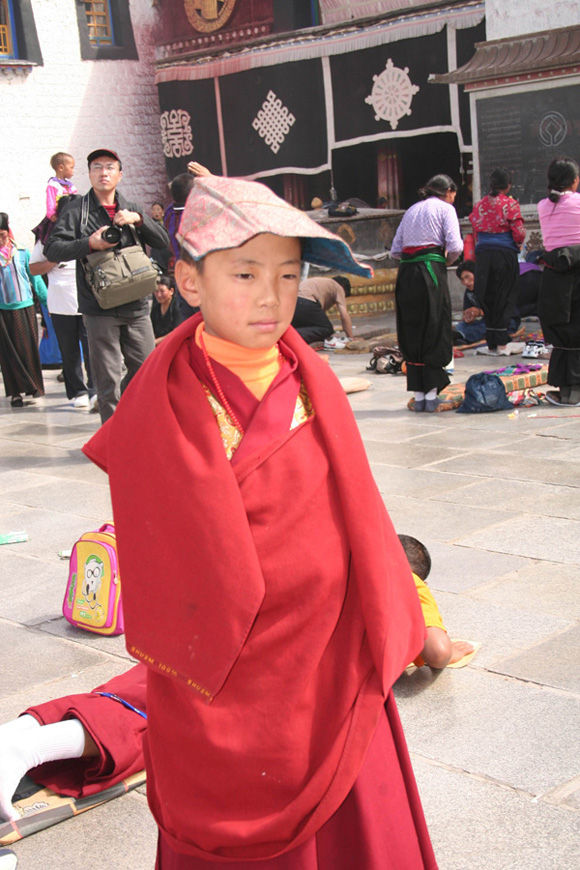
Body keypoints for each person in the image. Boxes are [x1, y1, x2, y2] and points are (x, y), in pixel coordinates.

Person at [80, 175, 438, 869]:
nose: (272, 297)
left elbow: (359, 512)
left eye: (287, 274)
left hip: (331, 661)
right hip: (225, 672)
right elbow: (165, 566)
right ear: (189, 281)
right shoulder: (159, 402)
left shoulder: (314, 379)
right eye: (244, 273)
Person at [45, 148, 170, 424]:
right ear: (89, 174)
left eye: (110, 167)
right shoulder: (76, 210)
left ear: (120, 174)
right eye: (97, 167)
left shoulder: (132, 207)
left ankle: (139, 428)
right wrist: (90, 243)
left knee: (147, 372)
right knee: (107, 380)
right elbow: (52, 249)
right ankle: (114, 440)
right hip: (99, 308)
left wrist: (139, 220)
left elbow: (164, 242)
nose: (104, 173)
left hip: (137, 305)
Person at [391, 174, 463, 412]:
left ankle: (420, 395)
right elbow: (455, 246)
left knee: (412, 328)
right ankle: (431, 396)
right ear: (449, 191)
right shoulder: (445, 209)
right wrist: (442, 260)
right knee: (434, 325)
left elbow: (395, 250)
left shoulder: (411, 210)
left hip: (406, 274)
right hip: (431, 271)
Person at [29, 195, 95, 409]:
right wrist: (53, 261)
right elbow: (33, 268)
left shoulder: (90, 230)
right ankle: (78, 391)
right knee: (69, 350)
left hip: (89, 300)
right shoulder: (46, 236)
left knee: (93, 348)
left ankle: (96, 389)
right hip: (60, 301)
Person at [537, 156, 580, 407]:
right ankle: (574, 392)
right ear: (574, 180)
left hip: (554, 275)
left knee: (563, 331)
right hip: (577, 270)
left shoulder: (544, 206)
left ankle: (566, 390)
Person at [469, 168, 525, 355]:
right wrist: (518, 244)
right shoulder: (510, 204)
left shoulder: (479, 205)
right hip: (504, 254)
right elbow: (518, 232)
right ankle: (501, 342)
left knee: (488, 295)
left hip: (484, 255)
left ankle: (491, 341)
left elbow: (476, 231)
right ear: (508, 185)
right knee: (504, 295)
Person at [398, 535, 474, 669]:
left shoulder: (353, 570)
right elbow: (437, 653)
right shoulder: (411, 583)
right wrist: (450, 653)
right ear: (423, 584)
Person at [0, 213, 46, 407]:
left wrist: (46, 301)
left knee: (27, 348)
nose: (1, 238)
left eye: (2, 234)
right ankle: (15, 393)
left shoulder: (21, 251)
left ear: (8, 231)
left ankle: (33, 386)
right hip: (3, 310)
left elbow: (35, 279)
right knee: (8, 353)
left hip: (25, 306)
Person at [291, 275, 353, 347]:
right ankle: (291, 336)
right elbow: (344, 315)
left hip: (291, 303)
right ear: (343, 287)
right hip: (305, 301)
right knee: (326, 329)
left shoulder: (321, 283)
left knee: (310, 326)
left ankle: (289, 335)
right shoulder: (338, 287)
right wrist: (351, 338)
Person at [453, 261, 486, 345]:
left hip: (499, 322)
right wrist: (468, 317)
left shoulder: (488, 286)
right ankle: (461, 336)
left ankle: (461, 337)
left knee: (486, 328)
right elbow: (466, 311)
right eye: (462, 280)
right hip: (482, 322)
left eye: (467, 277)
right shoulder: (468, 292)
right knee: (461, 326)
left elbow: (498, 311)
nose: (466, 282)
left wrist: (479, 312)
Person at [150, 275, 183, 345]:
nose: (159, 295)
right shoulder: (155, 309)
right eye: (156, 291)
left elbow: (177, 331)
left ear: (171, 291)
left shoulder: (178, 307)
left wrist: (157, 341)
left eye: (162, 291)